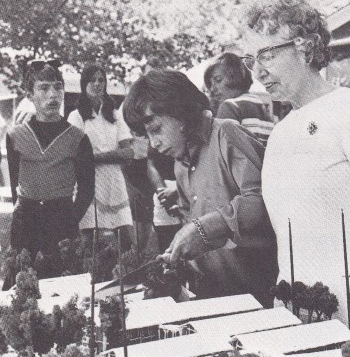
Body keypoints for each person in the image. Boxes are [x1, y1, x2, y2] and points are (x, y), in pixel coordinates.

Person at [241, 0, 350, 323]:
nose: (258, 71)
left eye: (267, 55)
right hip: (295, 306)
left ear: (304, 46)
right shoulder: (282, 130)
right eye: (250, 60)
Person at [122, 69, 278, 307]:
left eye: (156, 129)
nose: (154, 143)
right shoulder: (180, 166)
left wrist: (205, 227)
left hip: (257, 295)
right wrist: (176, 269)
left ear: (181, 113)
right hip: (215, 297)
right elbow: (197, 239)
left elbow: (262, 200)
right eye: (146, 135)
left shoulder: (226, 134)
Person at [4, 60, 94, 288]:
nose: (53, 95)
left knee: (63, 291)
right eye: (44, 88)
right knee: (22, 290)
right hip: (26, 221)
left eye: (57, 87)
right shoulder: (15, 136)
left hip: (61, 219)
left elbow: (87, 189)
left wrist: (69, 219)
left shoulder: (78, 138)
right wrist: (21, 213)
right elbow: (15, 183)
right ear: (30, 95)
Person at [67, 64, 134, 257]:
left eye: (101, 80)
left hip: (115, 184)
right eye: (92, 80)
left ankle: (123, 281)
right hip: (90, 185)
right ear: (83, 84)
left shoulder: (114, 114)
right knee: (89, 243)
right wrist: (113, 155)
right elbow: (77, 157)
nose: (97, 84)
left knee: (126, 243)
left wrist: (95, 157)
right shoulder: (77, 116)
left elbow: (129, 153)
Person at [204, 52, 275, 146]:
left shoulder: (230, 106)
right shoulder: (261, 105)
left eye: (218, 80)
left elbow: (221, 151)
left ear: (236, 76)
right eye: (210, 83)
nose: (212, 89)